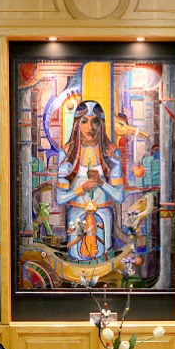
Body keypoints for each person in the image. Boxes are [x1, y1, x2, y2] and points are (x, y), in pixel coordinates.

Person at [54, 100, 125, 262]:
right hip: (77, 216)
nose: (90, 127)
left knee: (103, 259)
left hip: (103, 216)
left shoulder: (113, 153)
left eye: (95, 121)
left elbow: (119, 196)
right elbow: (60, 198)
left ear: (102, 124)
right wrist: (82, 188)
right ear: (77, 124)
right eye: (84, 121)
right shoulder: (67, 153)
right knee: (76, 259)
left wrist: (102, 183)